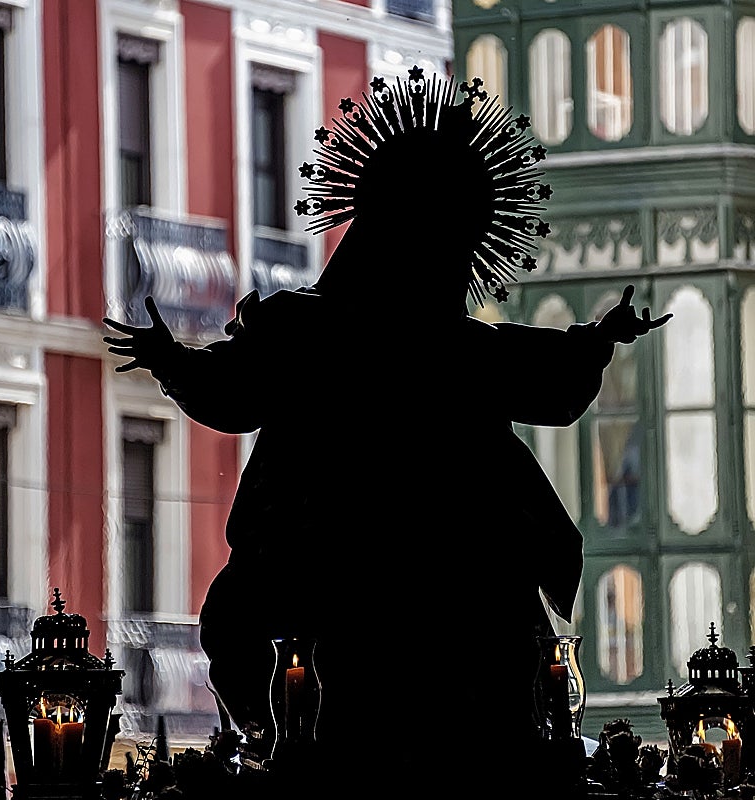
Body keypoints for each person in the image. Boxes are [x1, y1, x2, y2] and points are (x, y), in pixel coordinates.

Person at [103, 68, 671, 791]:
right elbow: (546, 374)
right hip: (378, 562)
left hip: (355, 558)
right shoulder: (413, 345)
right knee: (261, 638)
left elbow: (238, 389)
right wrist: (597, 338)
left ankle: (283, 745)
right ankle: (284, 742)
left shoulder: (349, 337)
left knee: (260, 634)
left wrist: (171, 361)